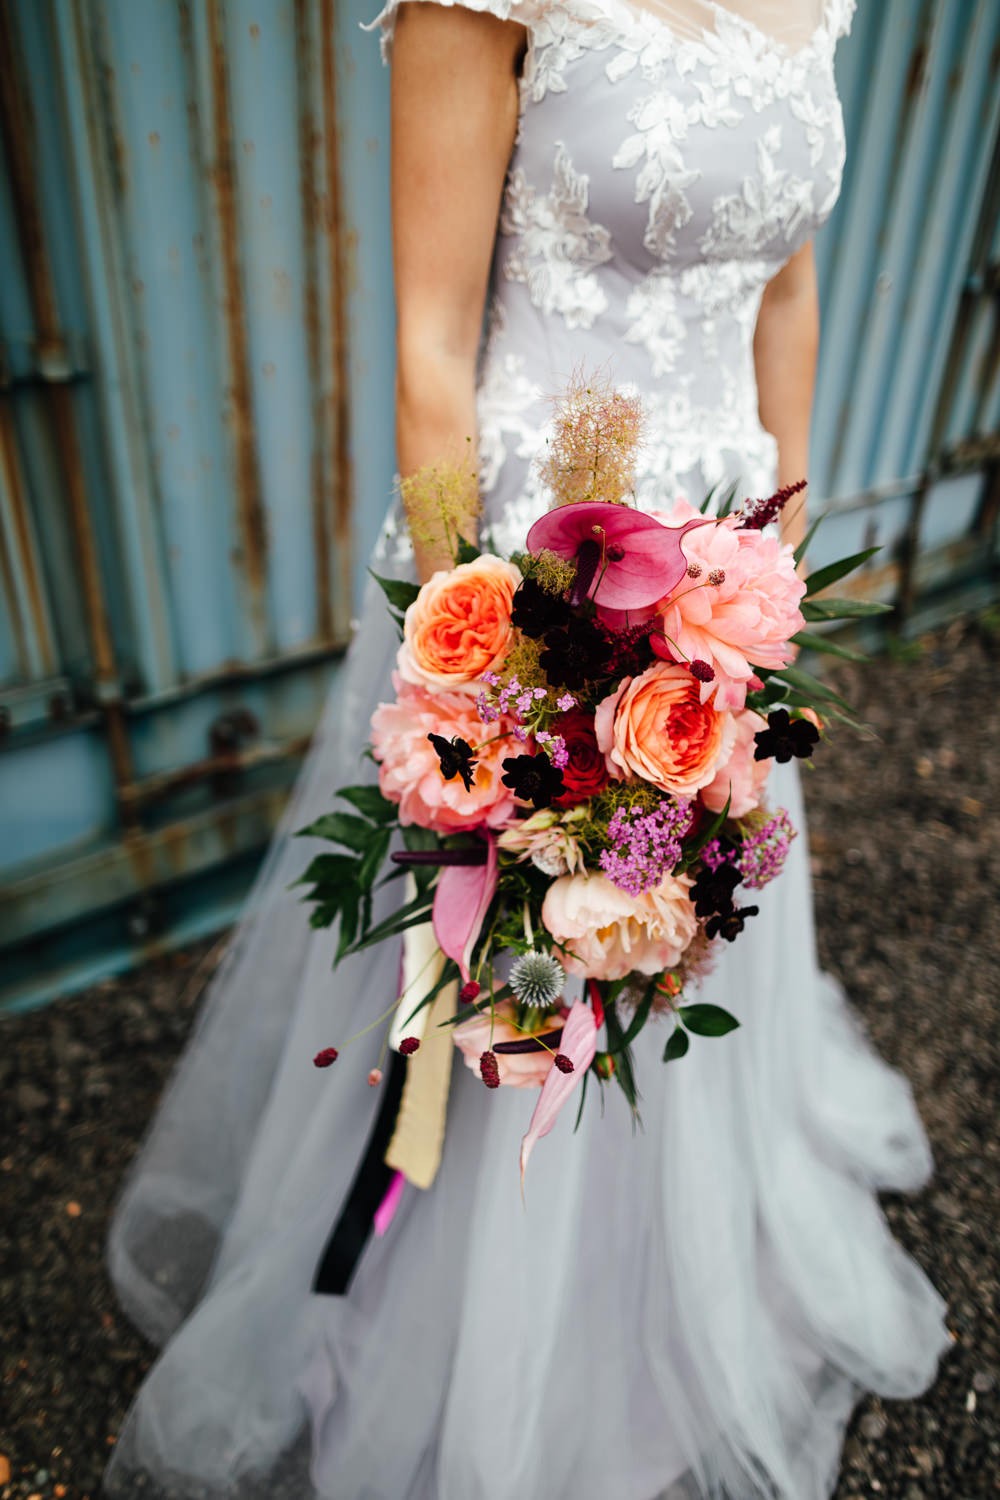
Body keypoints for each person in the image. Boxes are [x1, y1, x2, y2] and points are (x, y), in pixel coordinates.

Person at [104, 2, 950, 1496]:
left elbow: (787, 292)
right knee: (510, 961)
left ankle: (657, 1269)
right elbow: (432, 341)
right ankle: (455, 1319)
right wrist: (490, 677)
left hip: (716, 586)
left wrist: (774, 574)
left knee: (677, 925)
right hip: (533, 577)